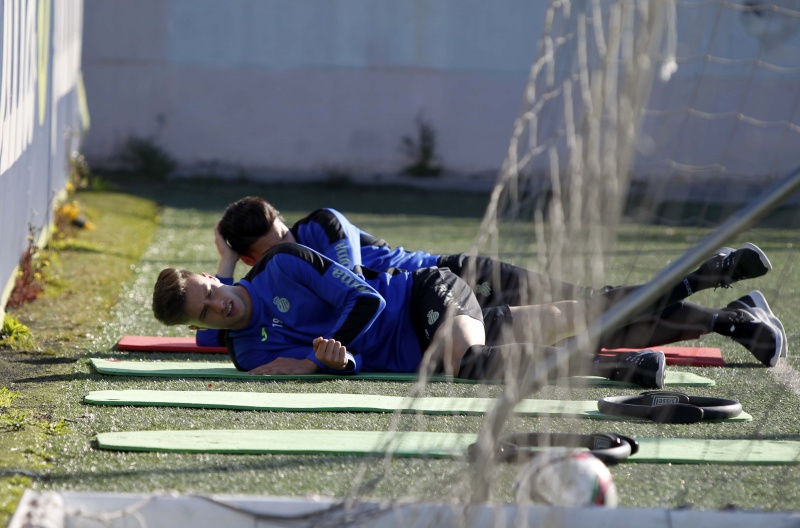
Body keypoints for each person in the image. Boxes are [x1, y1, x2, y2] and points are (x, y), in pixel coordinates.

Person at [198, 196, 786, 367]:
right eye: (272, 244)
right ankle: (728, 314)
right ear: (250, 257)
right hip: (422, 315)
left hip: (449, 280)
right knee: (586, 323)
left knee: (584, 306)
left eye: (282, 230)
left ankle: (711, 277)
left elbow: (353, 282)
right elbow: (210, 338)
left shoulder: (318, 229)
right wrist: (223, 273)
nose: (286, 242)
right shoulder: (265, 283)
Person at [153, 242, 671, 387]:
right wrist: (333, 363)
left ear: (213, 276)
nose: (219, 304)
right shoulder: (248, 357)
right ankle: (692, 290)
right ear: (200, 327)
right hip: (419, 353)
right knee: (562, 314)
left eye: (210, 290)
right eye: (207, 313)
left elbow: (368, 301)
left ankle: (620, 364)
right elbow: (349, 365)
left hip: (422, 295)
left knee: (472, 362)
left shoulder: (281, 264)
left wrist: (319, 356)